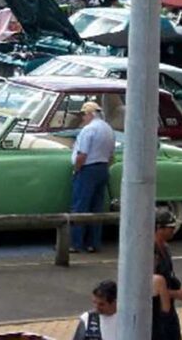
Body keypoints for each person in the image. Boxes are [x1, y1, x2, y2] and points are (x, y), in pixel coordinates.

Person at [70, 101, 115, 254]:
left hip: (87, 169)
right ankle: (93, 243)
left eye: (83, 114)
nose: (82, 118)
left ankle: (76, 243)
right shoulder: (108, 129)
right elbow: (111, 155)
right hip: (102, 168)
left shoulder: (88, 130)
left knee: (80, 207)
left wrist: (76, 169)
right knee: (97, 208)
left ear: (90, 114)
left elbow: (82, 154)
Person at [154, 208, 182, 338]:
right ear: (160, 228)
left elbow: (169, 277)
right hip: (154, 310)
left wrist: (179, 290)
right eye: (170, 227)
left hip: (168, 307)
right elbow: (151, 287)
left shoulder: (165, 247)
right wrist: (178, 294)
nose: (173, 230)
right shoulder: (151, 253)